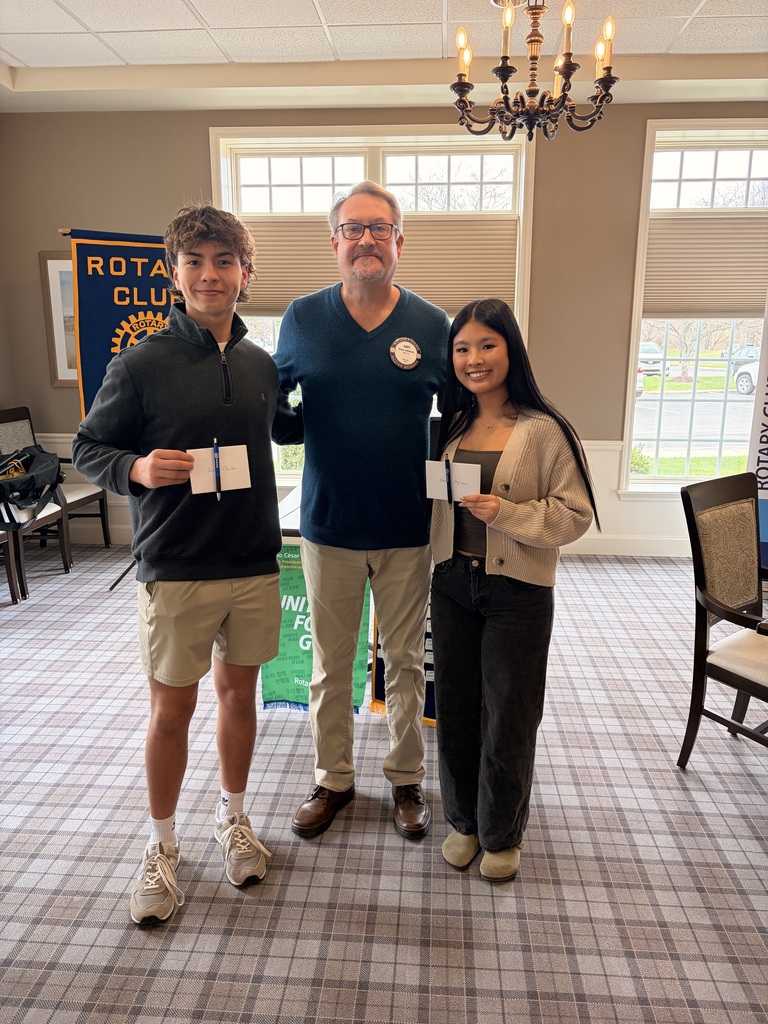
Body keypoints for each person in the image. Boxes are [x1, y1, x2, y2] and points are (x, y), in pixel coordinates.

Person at [73, 203, 302, 923]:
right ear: (174, 274)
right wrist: (137, 467)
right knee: (172, 710)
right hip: (174, 565)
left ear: (245, 274)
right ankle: (161, 844)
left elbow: (299, 422)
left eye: (225, 262)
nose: (211, 275)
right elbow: (86, 449)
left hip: (255, 561)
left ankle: (233, 817)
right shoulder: (139, 364)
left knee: (241, 698)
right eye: (196, 262)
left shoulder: (263, 364)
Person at [274, 181, 450, 841]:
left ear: (399, 242)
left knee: (404, 661)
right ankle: (333, 780)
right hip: (330, 525)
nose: (366, 240)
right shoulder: (301, 317)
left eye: (379, 229)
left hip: (407, 524)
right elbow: (279, 408)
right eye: (353, 229)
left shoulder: (433, 325)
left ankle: (406, 781)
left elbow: (458, 419)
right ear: (335, 243)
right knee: (331, 661)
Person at [430, 297, 598, 882]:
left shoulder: (545, 431)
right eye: (462, 348)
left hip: (517, 592)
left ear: (511, 350)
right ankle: (462, 821)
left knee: (509, 714)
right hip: (451, 583)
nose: (474, 359)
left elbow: (574, 515)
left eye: (487, 345)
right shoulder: (450, 426)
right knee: (454, 707)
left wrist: (506, 511)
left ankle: (501, 832)